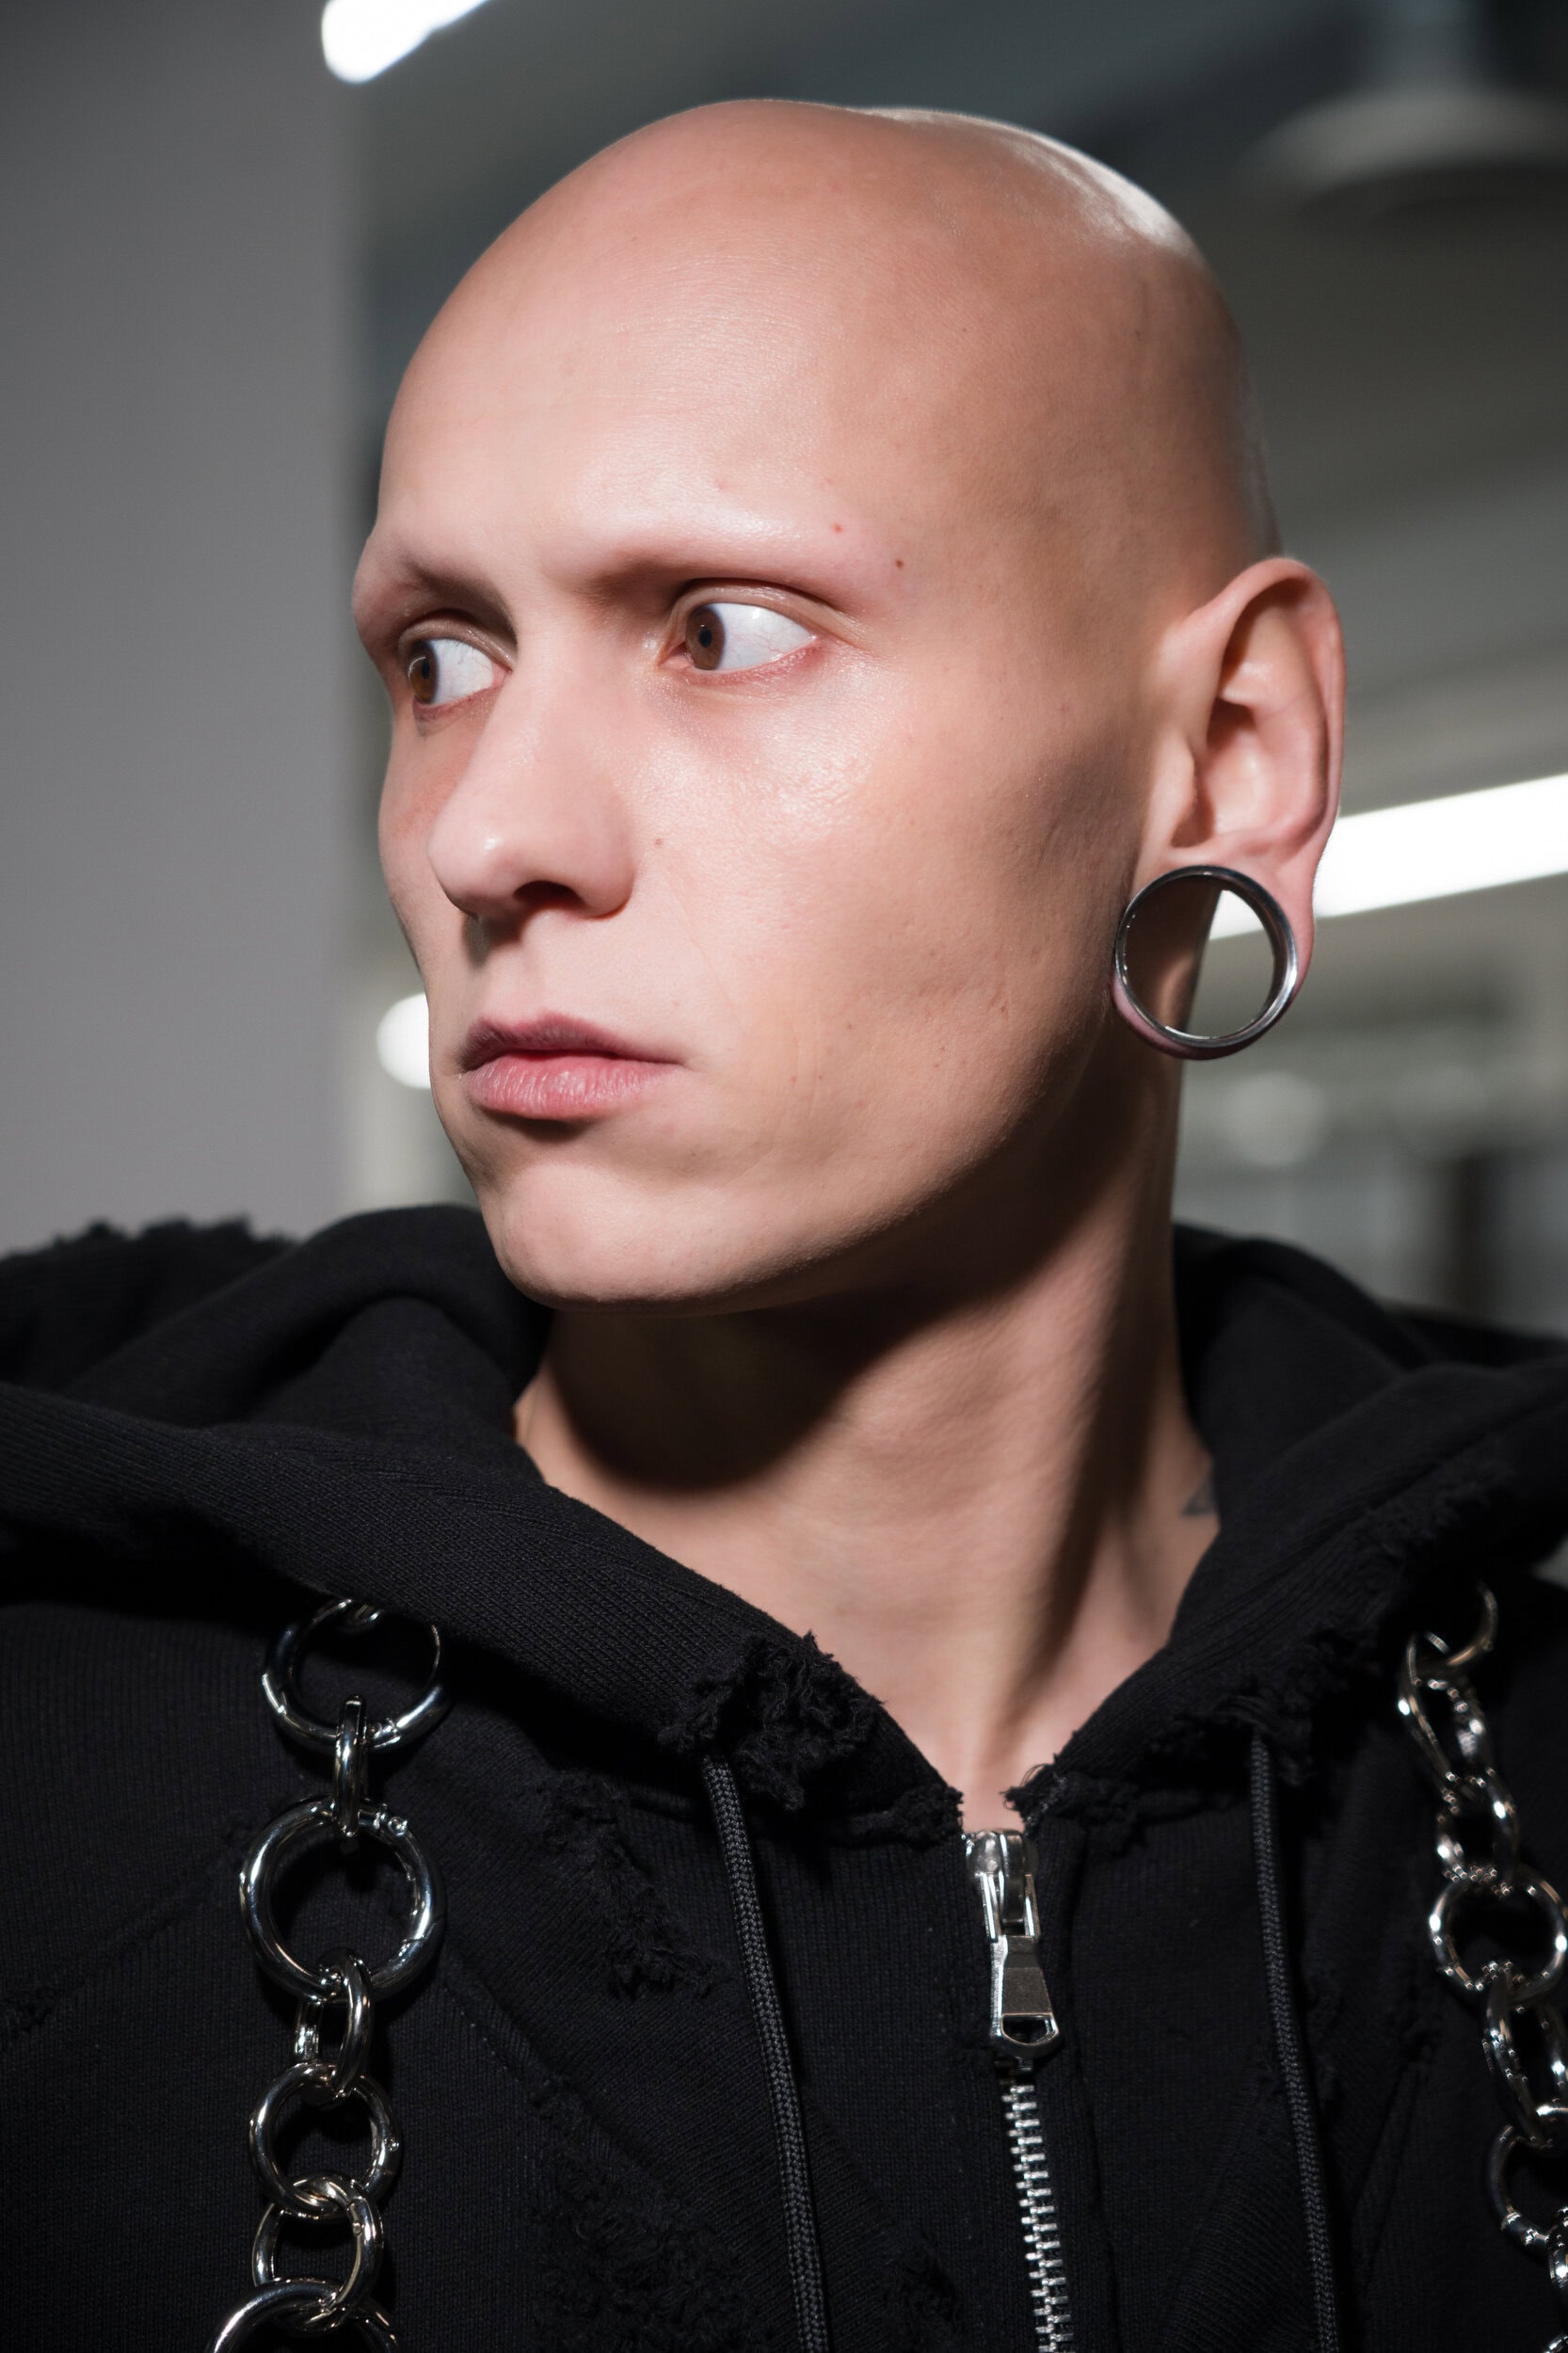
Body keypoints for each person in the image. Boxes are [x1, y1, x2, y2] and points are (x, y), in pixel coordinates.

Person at [3, 99, 1567, 2353]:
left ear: (1228, 755)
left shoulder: (1514, 1749)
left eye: (720, 628)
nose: (488, 834)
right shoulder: (59, 1796)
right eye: (442, 654)